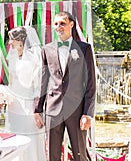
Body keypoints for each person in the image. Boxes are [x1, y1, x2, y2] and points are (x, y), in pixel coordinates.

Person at [34, 11, 96, 161]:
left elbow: (90, 83)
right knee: (53, 155)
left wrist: (87, 113)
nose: (58, 27)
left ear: (71, 24)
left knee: (79, 154)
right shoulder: (47, 49)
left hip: (76, 110)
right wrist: (37, 109)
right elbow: (43, 81)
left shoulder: (84, 48)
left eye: (62, 23)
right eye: (56, 24)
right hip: (52, 110)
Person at [4, 26, 46, 161]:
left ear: (21, 40)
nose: (10, 43)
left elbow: (38, 85)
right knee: (14, 138)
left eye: (12, 39)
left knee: (30, 139)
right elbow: (11, 83)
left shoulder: (34, 57)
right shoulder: (12, 56)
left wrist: (37, 110)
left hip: (29, 105)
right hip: (13, 106)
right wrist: (4, 96)